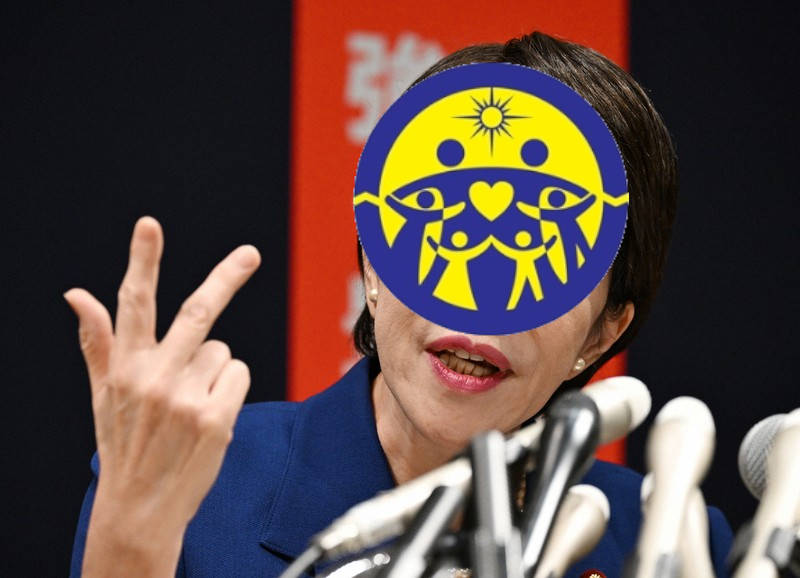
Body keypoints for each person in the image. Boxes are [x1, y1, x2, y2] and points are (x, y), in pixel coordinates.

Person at [67, 31, 733, 577]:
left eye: (546, 257)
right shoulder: (192, 492)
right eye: (447, 233)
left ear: (603, 334)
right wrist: (128, 543)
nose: (481, 308)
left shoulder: (668, 541)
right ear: (374, 265)